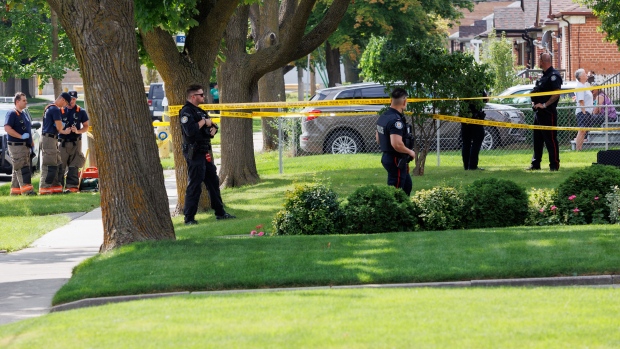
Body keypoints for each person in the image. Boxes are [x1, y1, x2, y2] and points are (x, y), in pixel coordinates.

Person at [180, 84, 235, 225]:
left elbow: (212, 125)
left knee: (213, 182)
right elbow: (190, 131)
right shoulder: (186, 112)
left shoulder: (200, 111)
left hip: (205, 153)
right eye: (201, 95)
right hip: (195, 153)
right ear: (193, 96)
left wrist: (213, 128)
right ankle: (189, 218)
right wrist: (204, 122)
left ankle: (220, 212)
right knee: (195, 185)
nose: (204, 97)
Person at [375, 88, 416, 196]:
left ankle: (405, 209)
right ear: (404, 102)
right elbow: (396, 144)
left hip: (388, 157)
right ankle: (393, 212)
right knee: (395, 192)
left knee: (407, 185)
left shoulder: (383, 117)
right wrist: (410, 152)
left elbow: (378, 139)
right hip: (395, 159)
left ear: (391, 100)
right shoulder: (396, 121)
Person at [528, 52, 562, 171]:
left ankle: (554, 165)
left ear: (543, 61)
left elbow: (556, 93)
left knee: (550, 139)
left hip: (548, 113)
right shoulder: (543, 76)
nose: (538, 62)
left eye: (539, 59)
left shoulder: (554, 75)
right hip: (538, 113)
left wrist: (544, 105)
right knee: (537, 140)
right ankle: (535, 164)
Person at [40, 92, 72, 194]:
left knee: (58, 163)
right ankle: (45, 188)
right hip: (49, 138)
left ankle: (56, 187)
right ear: (63, 100)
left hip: (50, 138)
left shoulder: (49, 107)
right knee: (50, 164)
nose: (65, 106)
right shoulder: (55, 109)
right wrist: (65, 130)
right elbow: (59, 128)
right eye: (66, 104)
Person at [4, 92, 36, 196]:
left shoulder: (24, 114)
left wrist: (31, 143)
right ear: (17, 102)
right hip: (16, 145)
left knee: (17, 168)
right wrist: (20, 136)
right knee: (22, 167)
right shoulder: (12, 113)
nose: (26, 102)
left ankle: (15, 192)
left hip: (24, 146)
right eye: (24, 100)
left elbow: (28, 129)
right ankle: (28, 191)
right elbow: (7, 128)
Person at [58, 91, 90, 193]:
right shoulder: (61, 110)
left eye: (74, 99)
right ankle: (58, 186)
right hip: (63, 142)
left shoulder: (81, 111)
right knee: (60, 164)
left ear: (76, 99)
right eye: (70, 99)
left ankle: (71, 187)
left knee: (74, 165)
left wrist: (77, 131)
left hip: (76, 142)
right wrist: (64, 131)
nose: (71, 101)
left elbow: (86, 127)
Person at [461, 91, 488, 170]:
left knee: (466, 143)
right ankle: (472, 166)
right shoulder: (478, 87)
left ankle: (466, 166)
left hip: (464, 118)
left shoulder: (463, 87)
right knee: (477, 141)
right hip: (475, 119)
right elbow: (486, 100)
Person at [574, 68, 593, 151]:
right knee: (581, 130)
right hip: (582, 112)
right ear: (580, 76)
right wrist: (584, 112)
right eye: (585, 73)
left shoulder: (584, 85)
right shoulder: (580, 86)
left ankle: (580, 148)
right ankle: (578, 149)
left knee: (583, 131)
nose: (586, 75)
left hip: (587, 112)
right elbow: (581, 100)